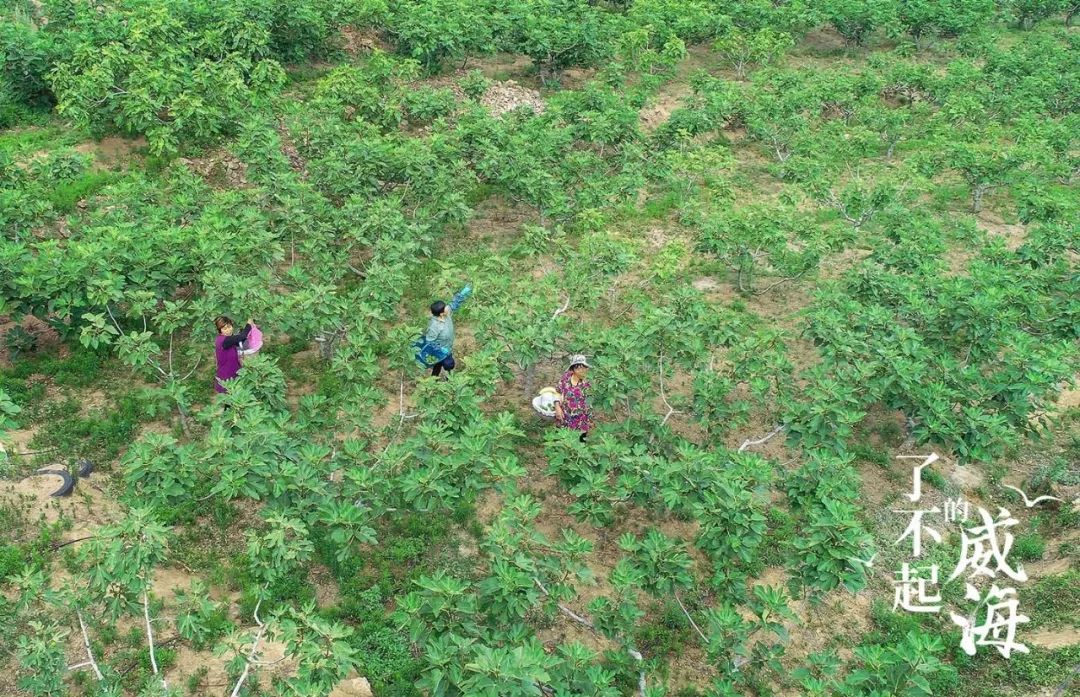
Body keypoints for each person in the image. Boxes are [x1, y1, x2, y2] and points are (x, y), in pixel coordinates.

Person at [422, 286, 471, 379]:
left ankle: (434, 379)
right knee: (449, 364)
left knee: (438, 365)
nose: (446, 308)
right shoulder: (434, 326)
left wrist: (462, 294)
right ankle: (450, 381)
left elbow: (453, 304)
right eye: (444, 308)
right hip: (441, 350)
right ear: (441, 313)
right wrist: (441, 349)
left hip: (448, 346)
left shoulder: (446, 313)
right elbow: (429, 341)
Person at [554, 354, 592, 442]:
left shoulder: (588, 382)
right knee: (561, 443)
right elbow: (557, 392)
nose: (581, 370)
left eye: (583, 367)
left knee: (580, 445)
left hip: (582, 420)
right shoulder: (566, 378)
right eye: (578, 368)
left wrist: (590, 419)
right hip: (564, 417)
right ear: (573, 369)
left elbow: (590, 403)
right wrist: (557, 407)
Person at [214, 316, 253, 394]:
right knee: (230, 399)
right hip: (227, 376)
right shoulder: (224, 340)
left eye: (229, 327)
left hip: (232, 372)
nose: (228, 330)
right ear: (220, 331)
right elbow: (242, 336)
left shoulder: (227, 338)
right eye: (224, 329)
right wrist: (249, 323)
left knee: (233, 399)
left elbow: (239, 339)